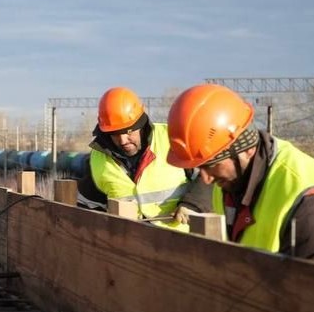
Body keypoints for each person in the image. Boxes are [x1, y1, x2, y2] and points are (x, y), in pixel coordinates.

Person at [166, 84, 314, 259]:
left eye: (211, 165)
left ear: (245, 149)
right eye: (199, 167)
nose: (205, 179)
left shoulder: (304, 197)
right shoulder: (230, 181)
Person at [76, 86, 211, 229]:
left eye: (128, 131)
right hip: (128, 244)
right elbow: (89, 204)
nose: (123, 140)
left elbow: (210, 174)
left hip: (179, 243)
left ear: (141, 124)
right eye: (115, 134)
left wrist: (193, 204)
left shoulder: (172, 139)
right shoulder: (98, 157)